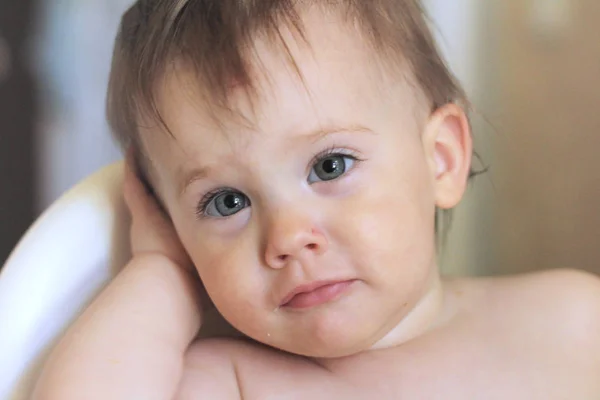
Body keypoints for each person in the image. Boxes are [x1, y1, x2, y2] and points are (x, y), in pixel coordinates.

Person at [33, 0, 600, 398]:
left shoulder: (571, 322)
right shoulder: (228, 382)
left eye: (330, 166)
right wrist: (160, 270)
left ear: (441, 160)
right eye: (227, 202)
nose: (287, 237)